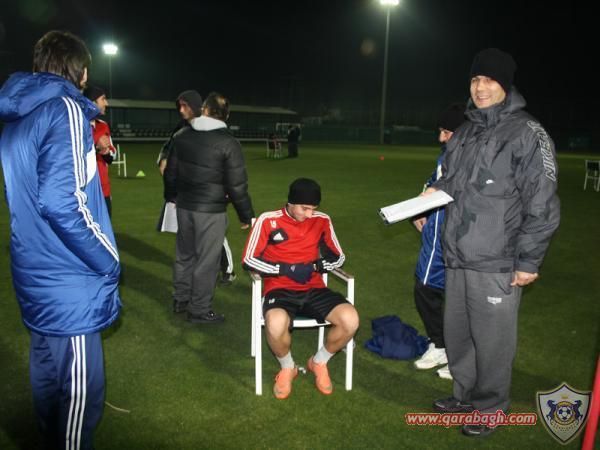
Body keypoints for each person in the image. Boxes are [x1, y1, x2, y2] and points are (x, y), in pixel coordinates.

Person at [426, 48, 560, 437]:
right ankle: (464, 394)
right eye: (475, 79)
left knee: (493, 342)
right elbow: (452, 180)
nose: (480, 87)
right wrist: (430, 195)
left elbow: (543, 202)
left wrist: (528, 261)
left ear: (505, 84)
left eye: (488, 80)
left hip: (498, 259)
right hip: (459, 253)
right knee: (459, 334)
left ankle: (490, 408)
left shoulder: (528, 133)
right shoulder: (467, 129)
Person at [0, 30, 121, 449]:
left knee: (49, 383)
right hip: (69, 279)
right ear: (80, 70)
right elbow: (60, 202)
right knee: (81, 395)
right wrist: (107, 259)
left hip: (34, 271)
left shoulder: (17, 117)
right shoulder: (65, 109)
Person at [242, 178, 359, 399]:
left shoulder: (321, 220)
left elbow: (338, 257)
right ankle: (288, 367)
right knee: (275, 324)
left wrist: (317, 266)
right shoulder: (268, 220)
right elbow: (249, 260)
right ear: (291, 202)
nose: (309, 214)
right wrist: (285, 269)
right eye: (304, 208)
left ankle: (319, 362)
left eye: (313, 208)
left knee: (350, 319)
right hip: (279, 289)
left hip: (314, 288)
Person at [164, 92, 254, 323]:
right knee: (207, 260)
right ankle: (199, 309)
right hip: (211, 210)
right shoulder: (228, 142)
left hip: (184, 207)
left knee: (184, 255)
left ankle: (181, 299)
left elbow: (170, 173)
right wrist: (246, 215)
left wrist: (172, 197)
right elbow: (237, 185)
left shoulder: (182, 135)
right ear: (226, 115)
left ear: (204, 110)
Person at [158, 90, 237, 284]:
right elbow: (167, 152)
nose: (181, 110)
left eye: (185, 106)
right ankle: (195, 275)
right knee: (191, 236)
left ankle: (226, 269)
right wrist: (165, 161)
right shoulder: (182, 128)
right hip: (186, 191)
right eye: (179, 106)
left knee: (213, 234)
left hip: (209, 192)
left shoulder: (210, 127)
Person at [412, 103, 466, 380]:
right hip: (435, 235)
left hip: (463, 240)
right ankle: (441, 345)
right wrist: (418, 210)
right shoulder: (446, 154)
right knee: (425, 290)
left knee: (462, 299)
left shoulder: (476, 157)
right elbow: (433, 181)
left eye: (446, 132)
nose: (441, 138)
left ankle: (462, 358)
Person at [84, 85, 116, 216]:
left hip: (104, 191)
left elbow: (112, 156)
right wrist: (96, 148)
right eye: (103, 99)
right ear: (92, 102)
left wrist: (106, 152)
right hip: (85, 191)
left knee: (105, 227)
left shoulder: (103, 126)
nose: (106, 103)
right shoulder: (77, 126)